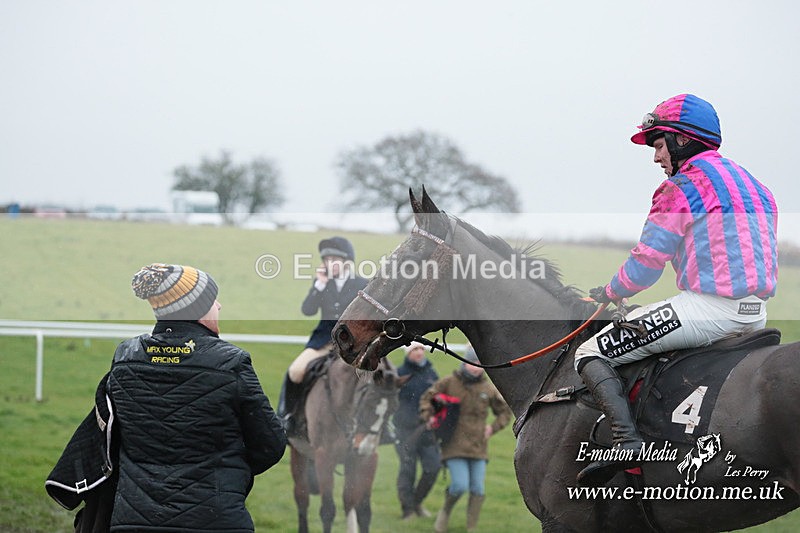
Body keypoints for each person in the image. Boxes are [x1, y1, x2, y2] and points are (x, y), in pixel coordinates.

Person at [574, 94, 778, 487]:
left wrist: (612, 291)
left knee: (590, 352)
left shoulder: (681, 186)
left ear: (681, 140)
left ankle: (627, 444)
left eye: (658, 144)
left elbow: (647, 262)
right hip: (757, 315)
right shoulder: (757, 186)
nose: (656, 157)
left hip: (709, 311)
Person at [107, 263, 287, 531]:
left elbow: (110, 441)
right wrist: (227, 474)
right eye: (213, 300)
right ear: (197, 310)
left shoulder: (125, 356)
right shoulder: (231, 361)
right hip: (215, 521)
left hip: (131, 521)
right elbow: (271, 445)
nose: (219, 306)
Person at [420, 345, 512, 533]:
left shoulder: (488, 388)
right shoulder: (449, 382)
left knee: (478, 490)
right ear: (464, 362)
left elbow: (505, 411)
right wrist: (428, 417)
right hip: (453, 443)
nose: (476, 367)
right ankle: (445, 513)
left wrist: (492, 428)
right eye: (472, 363)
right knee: (459, 485)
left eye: (479, 364)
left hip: (478, 445)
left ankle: (471, 528)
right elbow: (427, 398)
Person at [287, 236, 368, 384]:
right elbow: (308, 310)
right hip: (323, 342)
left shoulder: (363, 284)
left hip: (354, 344)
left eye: (335, 259)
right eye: (327, 260)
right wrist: (319, 285)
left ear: (347, 261)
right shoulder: (321, 283)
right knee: (295, 371)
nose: (330, 264)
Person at [393, 341, 441, 520]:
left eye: (421, 349)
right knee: (408, 471)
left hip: (427, 431)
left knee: (433, 468)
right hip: (405, 431)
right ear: (408, 353)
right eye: (415, 349)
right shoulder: (399, 374)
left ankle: (416, 502)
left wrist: (435, 417)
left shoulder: (431, 374)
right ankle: (407, 510)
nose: (419, 352)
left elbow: (438, 401)